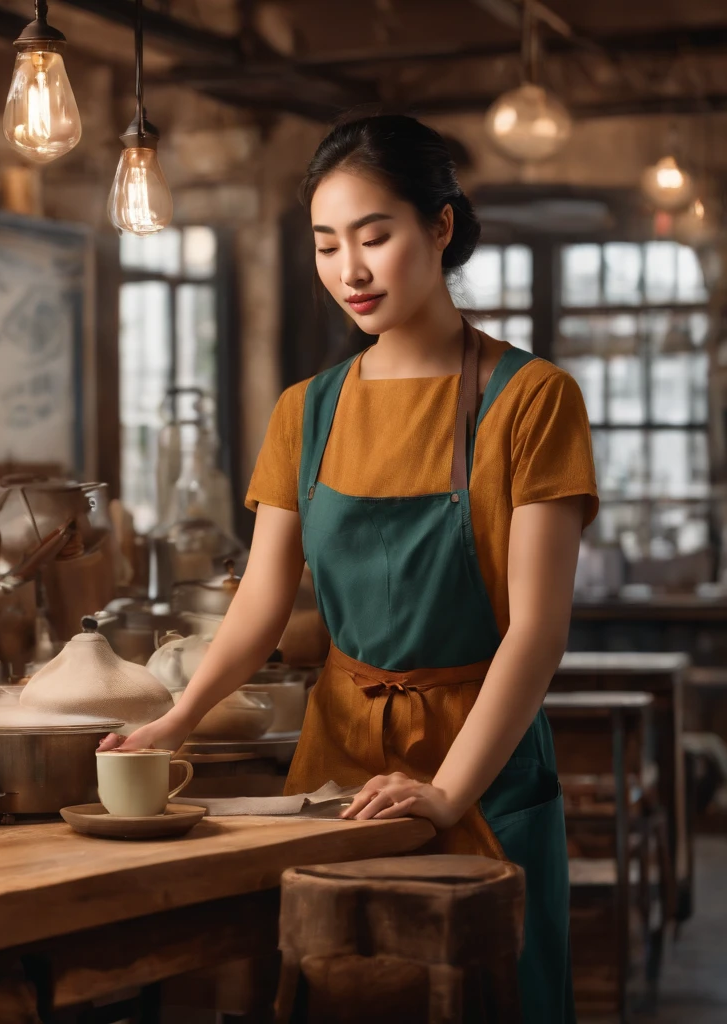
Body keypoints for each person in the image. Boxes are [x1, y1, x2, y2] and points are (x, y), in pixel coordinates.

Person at [100, 114, 598, 1022]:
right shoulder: (308, 410)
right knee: (339, 995)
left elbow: (538, 630)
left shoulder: (533, 401)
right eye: (328, 245)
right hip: (336, 778)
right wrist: (172, 721)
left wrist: (446, 791)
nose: (350, 272)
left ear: (440, 227)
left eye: (376, 237)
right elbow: (259, 605)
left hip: (476, 762)